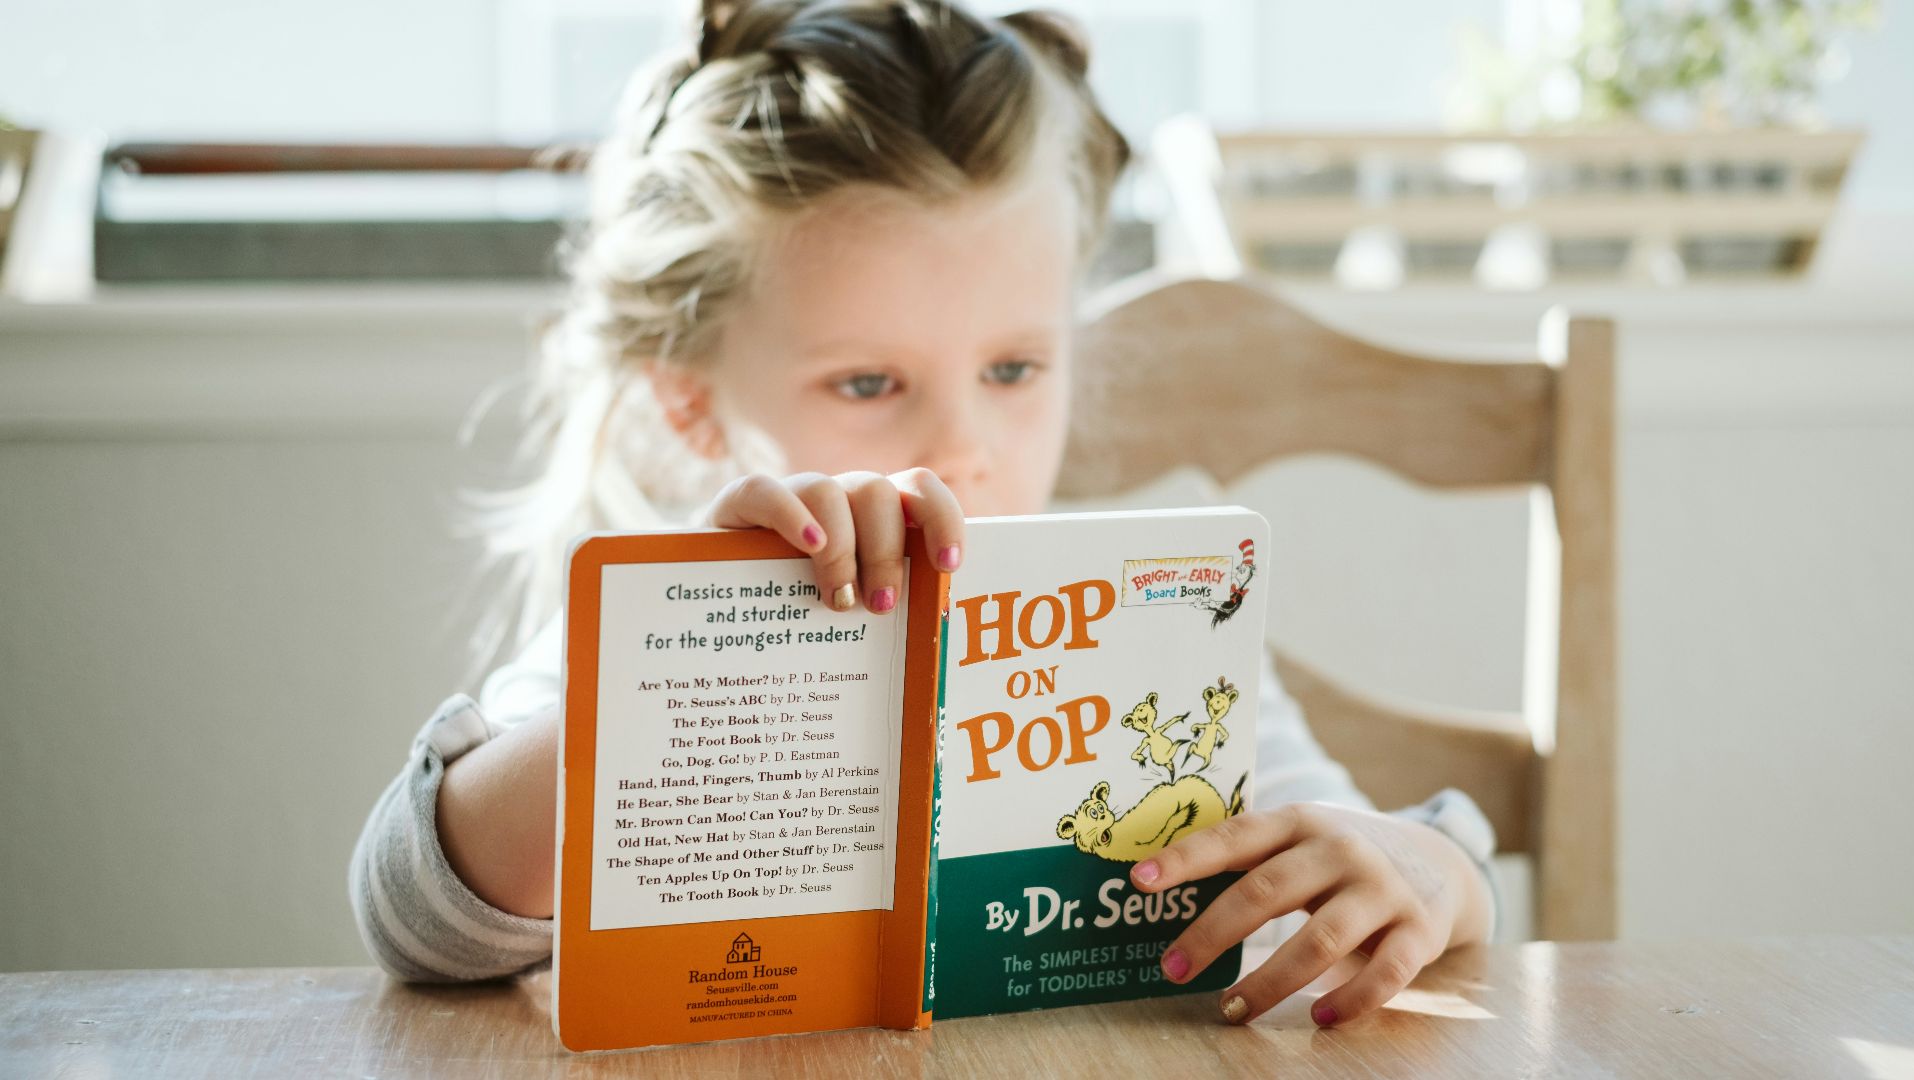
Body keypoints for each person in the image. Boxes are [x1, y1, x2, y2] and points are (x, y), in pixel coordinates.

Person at [348, 0, 1497, 1029]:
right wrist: (683, 661)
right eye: (866, 384)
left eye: (1012, 370)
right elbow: (417, 921)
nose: (962, 449)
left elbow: (1375, 863)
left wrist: (1436, 870)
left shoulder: (1158, 638)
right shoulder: (662, 627)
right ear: (691, 406)